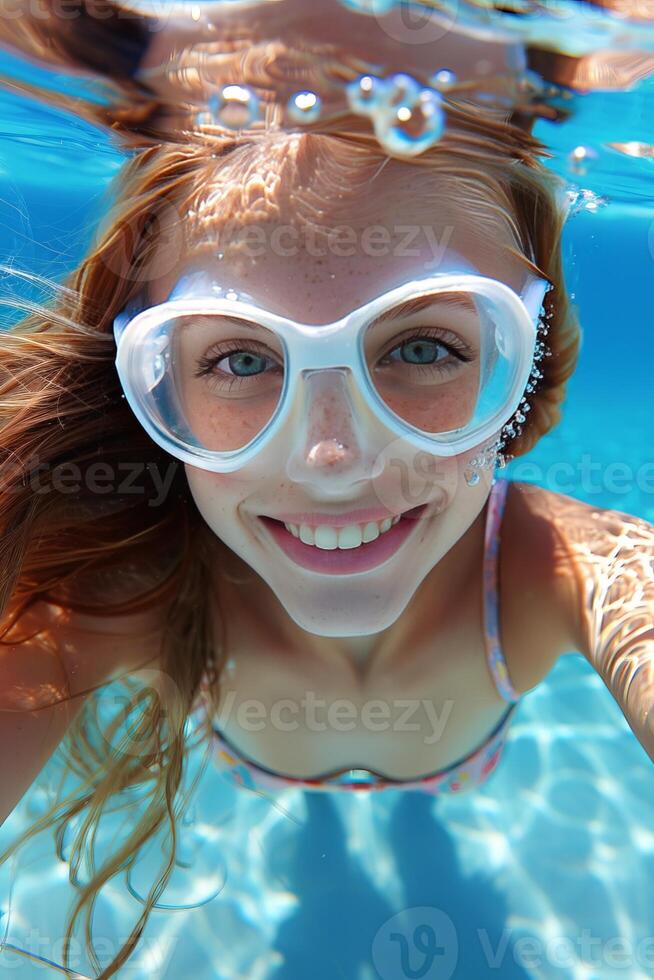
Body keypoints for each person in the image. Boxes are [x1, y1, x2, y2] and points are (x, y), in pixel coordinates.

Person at [0, 1, 653, 977]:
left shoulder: (560, 568)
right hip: (276, 766)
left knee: (421, 845)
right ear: (150, 384)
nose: (330, 457)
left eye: (424, 345)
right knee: (322, 854)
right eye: (239, 360)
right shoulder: (136, 591)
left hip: (439, 765)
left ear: (525, 369)